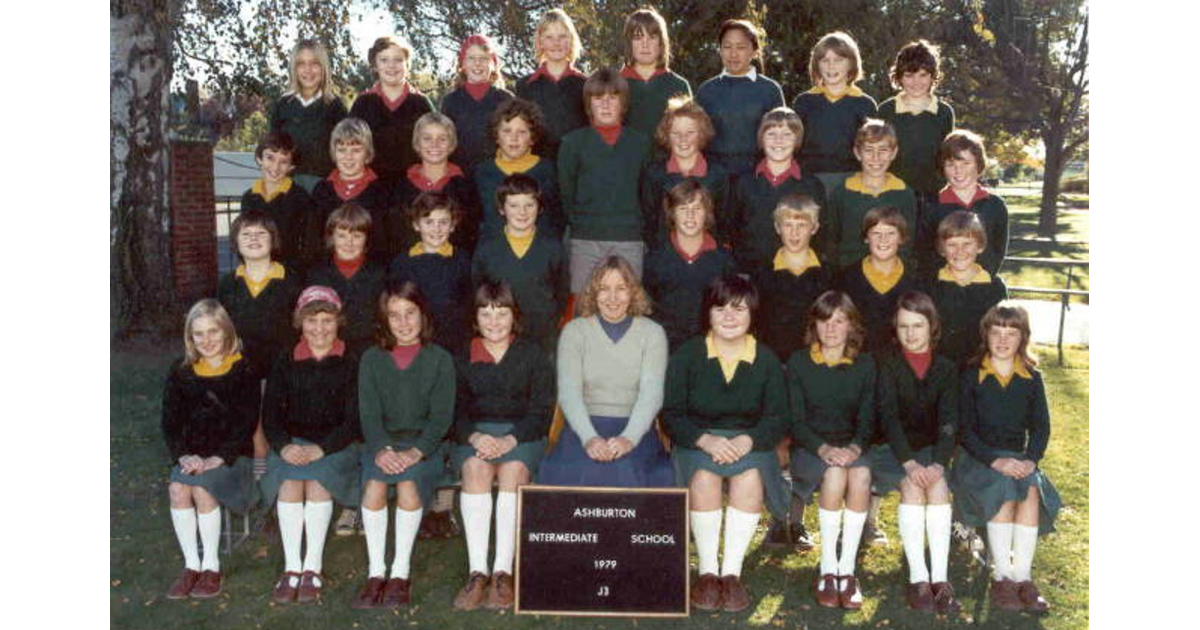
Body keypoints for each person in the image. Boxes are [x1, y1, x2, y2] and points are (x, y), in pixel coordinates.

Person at [663, 275, 789, 613]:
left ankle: (731, 573)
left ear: (752, 314)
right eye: (720, 308)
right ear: (708, 313)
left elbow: (778, 417)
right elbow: (671, 415)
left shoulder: (765, 359)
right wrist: (705, 440)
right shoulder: (688, 354)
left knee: (748, 478)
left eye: (739, 309)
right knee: (705, 477)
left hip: (750, 443)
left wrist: (749, 439)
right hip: (698, 442)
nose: (729, 317)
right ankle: (707, 572)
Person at [352, 281, 456, 609]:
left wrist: (416, 451)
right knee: (374, 489)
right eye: (394, 315)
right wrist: (382, 449)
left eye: (410, 313)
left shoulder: (439, 359)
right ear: (384, 320)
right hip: (382, 444)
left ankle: (400, 572)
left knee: (409, 485)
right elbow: (368, 414)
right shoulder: (371, 359)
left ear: (423, 315)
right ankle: (375, 572)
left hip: (426, 446)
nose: (403, 322)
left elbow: (442, 418)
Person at [451, 281, 555, 611]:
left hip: (521, 435)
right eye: (486, 314)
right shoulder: (462, 354)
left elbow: (541, 410)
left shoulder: (533, 353)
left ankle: (503, 571)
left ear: (515, 316)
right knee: (475, 469)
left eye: (502, 313)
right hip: (475, 436)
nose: (494, 322)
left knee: (513, 471)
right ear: (475, 318)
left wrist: (510, 439)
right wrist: (475, 437)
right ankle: (478, 570)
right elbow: (454, 410)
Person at [951, 302, 1060, 614]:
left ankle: (1022, 577)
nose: (1002, 340)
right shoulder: (972, 374)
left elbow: (1041, 427)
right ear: (986, 334)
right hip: (978, 459)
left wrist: (1031, 459)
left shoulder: (1030, 377)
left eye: (1011, 333)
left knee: (1030, 489)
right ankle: (1001, 576)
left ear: (1023, 337)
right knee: (1003, 487)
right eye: (996, 332)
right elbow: (965, 431)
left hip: (1017, 458)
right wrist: (995, 461)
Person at [261, 286, 362, 604]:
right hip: (293, 444)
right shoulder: (286, 359)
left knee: (317, 482)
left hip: (335, 446)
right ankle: (292, 568)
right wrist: (284, 446)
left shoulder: (351, 360)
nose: (319, 328)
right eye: (311, 320)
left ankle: (312, 568)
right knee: (290, 480)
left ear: (338, 321)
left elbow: (354, 420)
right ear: (300, 323)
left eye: (327, 320)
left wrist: (324, 448)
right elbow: (271, 416)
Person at [539, 256, 672, 487]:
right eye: (604, 289)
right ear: (593, 293)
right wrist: (589, 438)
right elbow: (569, 393)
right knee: (582, 469)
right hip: (583, 427)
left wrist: (628, 439)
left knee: (626, 469)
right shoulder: (574, 331)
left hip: (635, 428)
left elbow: (651, 394)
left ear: (633, 292)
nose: (612, 298)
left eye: (621, 289)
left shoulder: (653, 333)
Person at [161, 299, 260, 600]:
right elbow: (170, 423)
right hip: (193, 458)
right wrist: (183, 455)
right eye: (198, 334)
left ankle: (211, 567)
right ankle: (192, 566)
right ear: (190, 338)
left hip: (233, 458)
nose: (207, 340)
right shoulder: (181, 372)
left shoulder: (243, 369)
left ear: (227, 331)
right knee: (178, 488)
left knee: (203, 489)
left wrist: (220, 457)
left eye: (213, 332)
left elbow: (246, 422)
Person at [869, 291, 960, 613]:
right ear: (896, 328)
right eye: (904, 326)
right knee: (912, 487)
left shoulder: (947, 368)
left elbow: (950, 420)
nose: (911, 333)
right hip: (892, 451)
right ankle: (918, 578)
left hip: (932, 451)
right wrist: (908, 462)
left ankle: (940, 577)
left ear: (931, 326)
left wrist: (938, 463)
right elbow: (889, 418)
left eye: (918, 325)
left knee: (938, 487)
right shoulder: (889, 366)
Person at [787, 291, 876, 610]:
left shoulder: (864, 365)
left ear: (852, 325)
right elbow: (795, 421)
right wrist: (823, 448)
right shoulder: (799, 362)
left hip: (852, 448)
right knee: (836, 475)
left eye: (840, 320)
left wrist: (854, 448)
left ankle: (847, 571)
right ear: (815, 324)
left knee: (862, 474)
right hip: (811, 449)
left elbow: (868, 418)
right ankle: (827, 569)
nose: (831, 327)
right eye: (825, 320)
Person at [217, 210, 301, 477]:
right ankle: (257, 473)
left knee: (274, 417)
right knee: (249, 417)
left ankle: (278, 471)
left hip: (281, 367)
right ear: (236, 242)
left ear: (273, 240)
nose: (254, 239)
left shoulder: (290, 281)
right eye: (246, 234)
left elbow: (300, 327)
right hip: (242, 368)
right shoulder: (228, 283)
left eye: (261, 234)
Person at [558, 67, 653, 295]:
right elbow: (566, 194)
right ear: (588, 104)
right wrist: (582, 224)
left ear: (624, 102)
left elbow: (647, 195)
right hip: (585, 239)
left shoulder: (640, 144)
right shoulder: (572, 143)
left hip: (628, 238)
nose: (606, 104)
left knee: (627, 303)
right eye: (598, 98)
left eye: (613, 97)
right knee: (585, 306)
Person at [471, 174, 568, 355]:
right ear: (501, 209)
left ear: (539, 208)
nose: (522, 212)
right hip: (501, 335)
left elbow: (561, 290)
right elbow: (478, 290)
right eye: (513, 205)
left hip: (543, 334)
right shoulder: (486, 249)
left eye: (529, 205)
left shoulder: (553, 247)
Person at [729, 107, 825, 273]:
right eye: (771, 134)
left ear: (797, 140)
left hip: (795, 274)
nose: (778, 141)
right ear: (761, 139)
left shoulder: (812, 185)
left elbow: (821, 237)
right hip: (749, 274)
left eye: (787, 135)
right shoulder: (743, 183)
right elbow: (729, 231)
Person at [643, 180, 736, 352]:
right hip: (666, 349)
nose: (690, 216)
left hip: (711, 350)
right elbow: (648, 310)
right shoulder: (655, 259)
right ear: (672, 214)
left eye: (697, 209)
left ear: (707, 213)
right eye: (683, 209)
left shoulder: (723, 260)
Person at [821, 118, 918, 269]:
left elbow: (907, 244)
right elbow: (831, 242)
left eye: (883, 150)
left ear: (894, 153)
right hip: (848, 273)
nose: (876, 157)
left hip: (891, 274)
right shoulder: (842, 193)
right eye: (869, 150)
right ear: (857, 153)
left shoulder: (904, 194)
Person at [695, 19, 785, 178]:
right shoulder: (706, 91)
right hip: (714, 178)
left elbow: (782, 139)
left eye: (741, 47)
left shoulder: (770, 90)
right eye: (727, 47)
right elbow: (697, 140)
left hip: (758, 177)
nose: (733, 53)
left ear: (754, 51)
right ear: (720, 50)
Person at [388, 191, 473, 357]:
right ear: (416, 225)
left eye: (443, 222)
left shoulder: (463, 260)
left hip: (453, 344)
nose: (436, 229)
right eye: (429, 222)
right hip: (414, 343)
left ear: (453, 225)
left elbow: (469, 303)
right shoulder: (401, 263)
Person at [791, 31, 878, 192]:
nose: (831, 66)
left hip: (852, 181)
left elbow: (871, 149)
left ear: (851, 63)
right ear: (816, 65)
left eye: (838, 60)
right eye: (825, 60)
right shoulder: (804, 102)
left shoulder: (865, 104)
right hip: (810, 179)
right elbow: (793, 146)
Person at [640, 97, 731, 247]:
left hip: (706, 255)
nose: (683, 139)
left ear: (701, 134)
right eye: (676, 133)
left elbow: (722, 221)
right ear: (667, 135)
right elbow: (649, 221)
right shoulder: (654, 174)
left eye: (690, 132)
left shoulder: (717, 175)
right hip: (664, 256)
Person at [752, 193, 832, 362]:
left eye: (802, 225)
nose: (794, 233)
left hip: (815, 361)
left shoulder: (829, 273)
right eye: (788, 225)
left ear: (815, 228)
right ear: (777, 227)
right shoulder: (763, 273)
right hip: (773, 360)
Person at [917, 129, 1009, 275]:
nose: (958, 171)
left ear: (978, 164)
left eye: (966, 163)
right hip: (942, 288)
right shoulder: (931, 206)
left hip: (981, 287)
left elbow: (997, 252)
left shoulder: (995, 205)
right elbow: (924, 254)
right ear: (942, 167)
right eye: (950, 164)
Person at [876, 40, 955, 207]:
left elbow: (948, 157)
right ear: (898, 77)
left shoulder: (944, 112)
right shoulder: (885, 111)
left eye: (923, 75)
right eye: (909, 75)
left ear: (933, 76)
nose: (916, 82)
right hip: (892, 194)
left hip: (933, 196)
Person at [390, 112, 482, 255]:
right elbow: (397, 236)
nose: (435, 144)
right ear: (417, 143)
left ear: (451, 144)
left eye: (442, 139)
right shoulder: (402, 187)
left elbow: (470, 236)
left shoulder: (465, 187)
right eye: (427, 138)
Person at [305, 204, 387, 362]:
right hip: (329, 350)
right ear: (331, 237)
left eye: (357, 236)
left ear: (367, 238)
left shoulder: (380, 273)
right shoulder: (317, 274)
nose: (349, 243)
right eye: (342, 235)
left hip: (369, 349)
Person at [349, 35, 435, 183]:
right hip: (370, 186)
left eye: (398, 60)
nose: (391, 65)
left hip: (414, 186)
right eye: (384, 60)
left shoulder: (421, 103)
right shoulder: (363, 103)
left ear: (407, 64)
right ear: (375, 65)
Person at [473, 98, 563, 238]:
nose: (514, 138)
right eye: (507, 131)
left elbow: (556, 219)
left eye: (522, 132)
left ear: (532, 137)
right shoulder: (482, 172)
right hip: (493, 252)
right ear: (496, 136)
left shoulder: (547, 170)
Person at [837, 205, 921, 353]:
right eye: (876, 233)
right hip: (857, 360)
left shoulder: (916, 279)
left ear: (901, 238)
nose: (883, 239)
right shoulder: (846, 278)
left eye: (891, 233)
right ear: (866, 238)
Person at [929, 210, 1008, 367]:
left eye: (967, 243)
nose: (960, 251)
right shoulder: (930, 284)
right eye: (952, 244)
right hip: (939, 370)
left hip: (981, 370)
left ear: (979, 246)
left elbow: (1003, 332)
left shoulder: (995, 287)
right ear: (942, 249)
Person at [310, 117, 393, 264]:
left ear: (367, 153)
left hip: (371, 273)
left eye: (356, 150)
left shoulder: (382, 191)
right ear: (334, 152)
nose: (348, 157)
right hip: (328, 272)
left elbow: (386, 243)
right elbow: (313, 241)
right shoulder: (322, 190)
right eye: (342, 150)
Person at [269, 39, 348, 192]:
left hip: (325, 188)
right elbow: (272, 149)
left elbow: (346, 150)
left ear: (323, 67)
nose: (308, 70)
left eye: (314, 63)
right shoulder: (282, 105)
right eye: (301, 64)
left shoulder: (335, 107)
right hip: (288, 187)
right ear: (294, 68)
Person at [240, 131, 319, 274]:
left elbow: (310, 245)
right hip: (256, 272)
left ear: (291, 167)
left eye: (283, 162)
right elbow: (243, 239)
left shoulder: (301, 198)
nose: (275, 168)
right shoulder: (249, 198)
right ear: (259, 158)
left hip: (289, 274)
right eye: (270, 158)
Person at [515, 8, 587, 159]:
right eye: (549, 37)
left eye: (562, 36)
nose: (556, 43)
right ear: (540, 42)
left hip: (577, 167)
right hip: (537, 169)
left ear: (571, 39)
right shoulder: (525, 86)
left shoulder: (585, 85)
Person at [439, 34, 514, 174]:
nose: (477, 63)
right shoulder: (451, 101)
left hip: (497, 176)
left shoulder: (506, 99)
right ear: (462, 64)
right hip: (460, 177)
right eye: (471, 58)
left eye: (484, 58)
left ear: (493, 64)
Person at [619, 7, 692, 139]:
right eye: (638, 37)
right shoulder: (614, 85)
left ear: (661, 43)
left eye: (652, 37)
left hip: (668, 159)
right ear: (629, 43)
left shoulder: (678, 85)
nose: (645, 44)